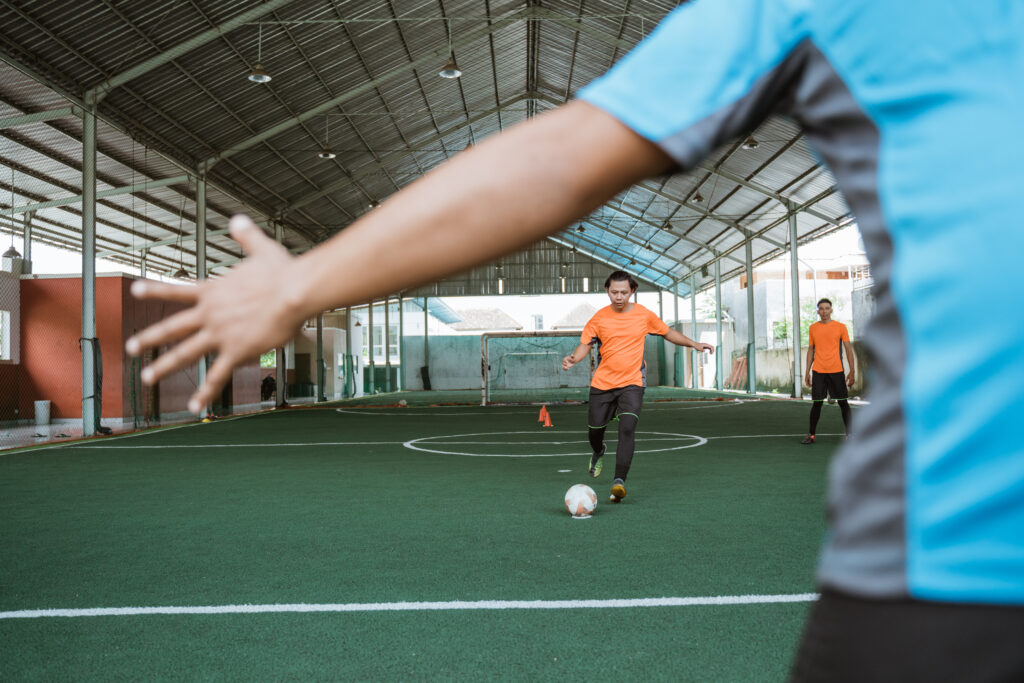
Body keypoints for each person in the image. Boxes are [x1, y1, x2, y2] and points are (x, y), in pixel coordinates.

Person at [127, 0, 1024, 678]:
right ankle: (602, 455)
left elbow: (590, 204)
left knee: (626, 427)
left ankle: (618, 470)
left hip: (941, 565)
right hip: (961, 569)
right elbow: (559, 161)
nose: (629, 290)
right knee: (601, 421)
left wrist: (699, 350)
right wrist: (305, 283)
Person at [561, 271, 713, 503]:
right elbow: (585, 345)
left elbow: (668, 332)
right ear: (607, 291)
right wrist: (574, 358)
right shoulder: (598, 318)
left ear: (632, 291)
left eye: (624, 292)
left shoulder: (644, 315)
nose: (619, 297)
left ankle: (619, 481)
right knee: (594, 431)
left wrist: (694, 344)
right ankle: (599, 450)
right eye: (614, 292)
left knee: (628, 428)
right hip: (602, 384)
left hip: (632, 382)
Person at [801, 298, 854, 444]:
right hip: (818, 371)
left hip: (837, 370)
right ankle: (811, 435)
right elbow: (811, 350)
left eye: (827, 308)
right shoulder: (813, 328)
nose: (824, 311)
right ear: (818, 311)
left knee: (843, 403)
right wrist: (807, 371)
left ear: (831, 310)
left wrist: (852, 371)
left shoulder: (841, 327)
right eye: (821, 309)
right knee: (817, 403)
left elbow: (848, 350)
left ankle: (850, 435)